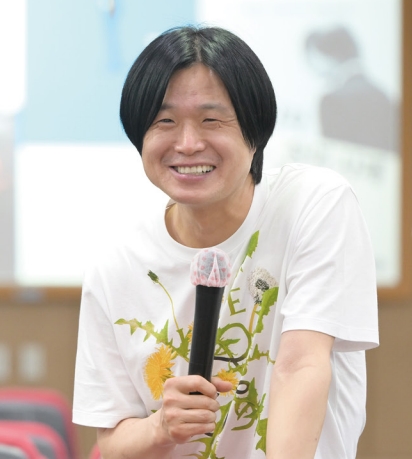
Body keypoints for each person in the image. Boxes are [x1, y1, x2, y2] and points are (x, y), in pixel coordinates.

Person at [73, 26, 379, 459]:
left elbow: (300, 366)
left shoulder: (313, 204)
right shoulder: (115, 264)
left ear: (256, 130)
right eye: (165, 121)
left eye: (211, 120)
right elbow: (110, 444)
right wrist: (161, 426)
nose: (188, 144)